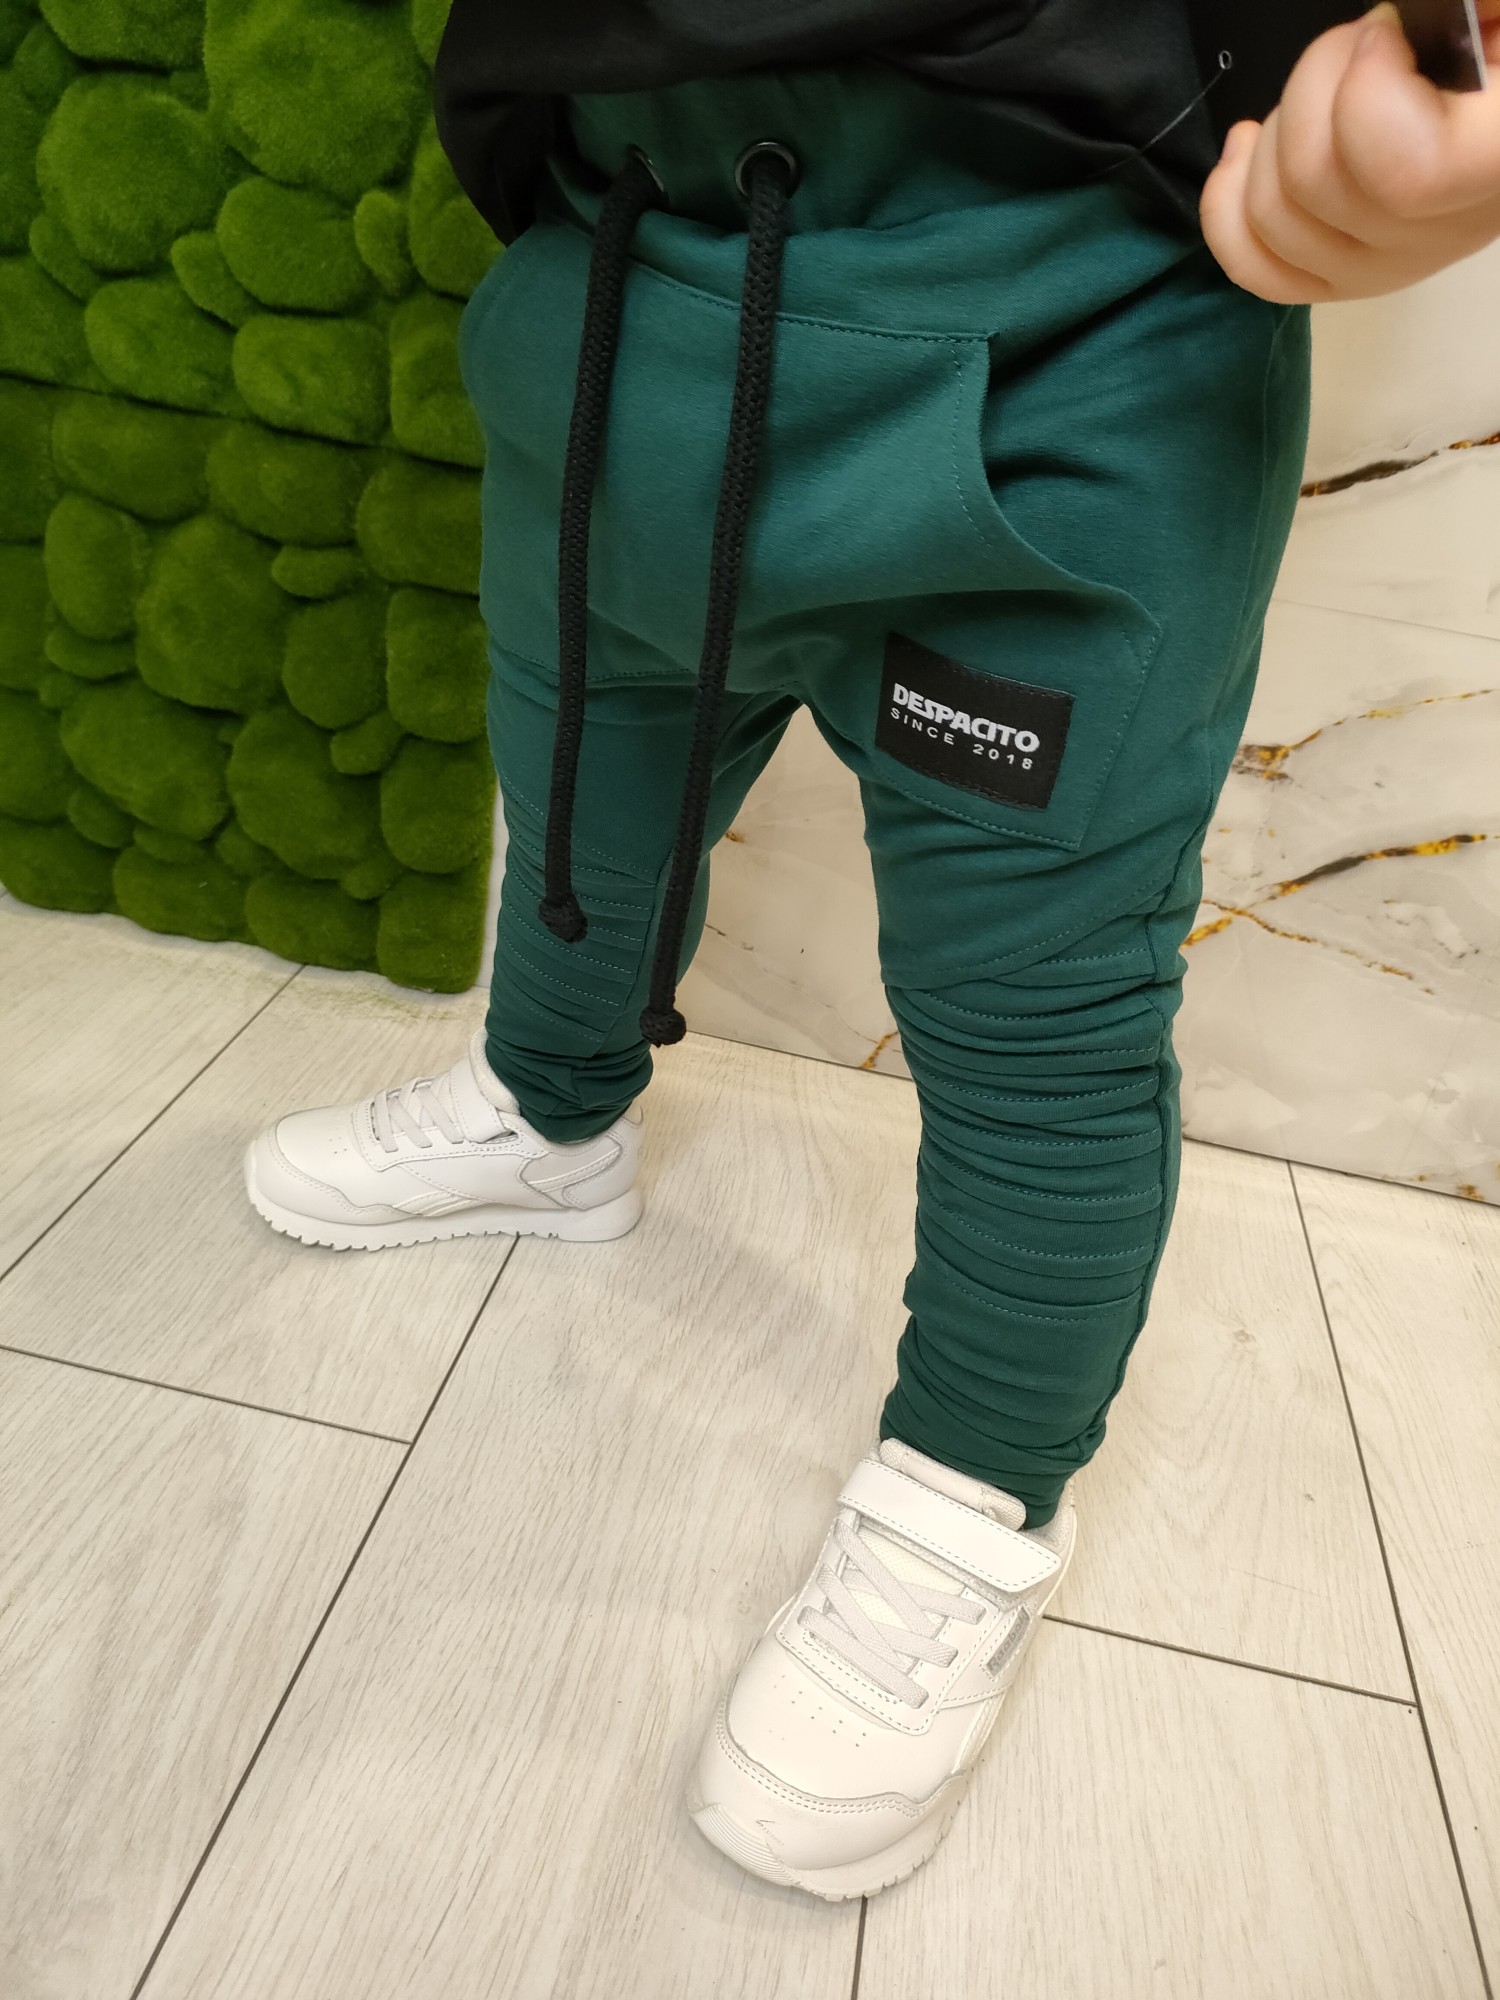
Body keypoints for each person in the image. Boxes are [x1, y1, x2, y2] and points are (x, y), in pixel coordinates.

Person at [245, 2, 1500, 1901]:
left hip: (1068, 349)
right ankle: (545, 1118)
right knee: (578, 802)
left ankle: (965, 1500)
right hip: (619, 276)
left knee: (1034, 1006)